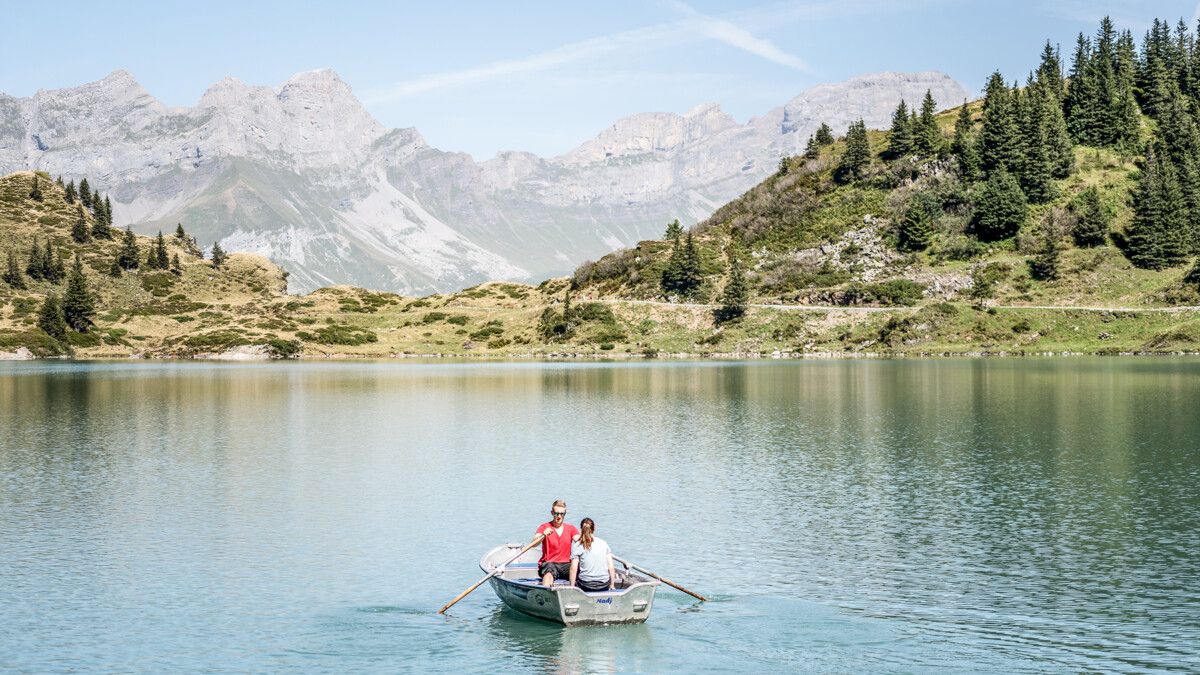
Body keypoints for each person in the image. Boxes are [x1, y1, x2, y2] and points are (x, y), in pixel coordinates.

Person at [535, 499, 579, 587]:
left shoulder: (571, 528)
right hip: (549, 563)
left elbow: (580, 540)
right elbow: (534, 543)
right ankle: (547, 593)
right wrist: (543, 535)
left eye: (562, 514)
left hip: (566, 564)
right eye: (556, 513)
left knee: (579, 568)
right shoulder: (544, 527)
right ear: (552, 512)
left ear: (565, 514)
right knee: (548, 573)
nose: (559, 516)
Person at [570, 517, 616, 592]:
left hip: (586, 585)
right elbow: (611, 567)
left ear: (581, 530)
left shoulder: (577, 545)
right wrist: (612, 585)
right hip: (604, 585)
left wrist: (572, 587)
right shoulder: (603, 543)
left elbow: (573, 569)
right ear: (594, 529)